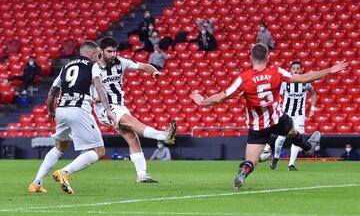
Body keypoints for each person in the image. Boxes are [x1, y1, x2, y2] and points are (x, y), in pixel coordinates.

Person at [190, 43, 348, 189]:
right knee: (292, 131)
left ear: (251, 57)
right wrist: (330, 70)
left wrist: (202, 102)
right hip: (277, 120)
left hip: (257, 127)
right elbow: (305, 78)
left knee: (251, 161)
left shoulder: (244, 79)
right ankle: (308, 147)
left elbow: (221, 97)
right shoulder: (276, 72)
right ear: (268, 57)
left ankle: (243, 172)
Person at [28, 40, 117, 194]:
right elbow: (99, 86)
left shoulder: (65, 67)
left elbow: (52, 93)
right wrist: (108, 110)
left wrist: (51, 111)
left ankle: (36, 183)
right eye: (99, 53)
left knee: (60, 147)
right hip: (78, 108)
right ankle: (65, 172)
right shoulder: (93, 65)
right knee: (99, 151)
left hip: (61, 108)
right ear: (94, 52)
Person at [93, 36, 176, 183]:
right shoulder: (94, 68)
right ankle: (163, 136)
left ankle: (142, 175)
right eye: (110, 51)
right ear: (101, 51)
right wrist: (95, 99)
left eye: (115, 51)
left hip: (119, 105)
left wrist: (154, 71)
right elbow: (92, 88)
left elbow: (144, 66)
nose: (113, 54)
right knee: (130, 121)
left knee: (132, 138)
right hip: (105, 108)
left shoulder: (121, 62)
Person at [270, 61, 318, 171]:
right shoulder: (284, 82)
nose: (295, 70)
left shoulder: (306, 82)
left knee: (297, 137)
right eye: (293, 68)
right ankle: (276, 157)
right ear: (290, 70)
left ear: (301, 70)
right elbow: (277, 95)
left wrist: (312, 109)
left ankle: (291, 164)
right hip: (286, 114)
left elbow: (313, 94)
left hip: (299, 115)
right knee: (281, 138)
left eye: (297, 68)